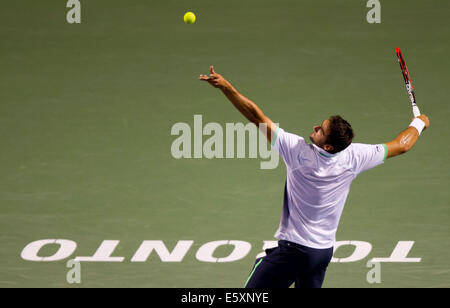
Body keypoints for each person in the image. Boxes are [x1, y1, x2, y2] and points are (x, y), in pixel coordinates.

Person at [199, 66, 430, 288]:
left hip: (294, 252)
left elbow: (255, 115)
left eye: (320, 129)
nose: (315, 126)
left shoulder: (298, 153)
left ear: (328, 146)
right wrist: (419, 124)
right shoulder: (355, 156)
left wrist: (227, 88)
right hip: (322, 253)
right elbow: (402, 145)